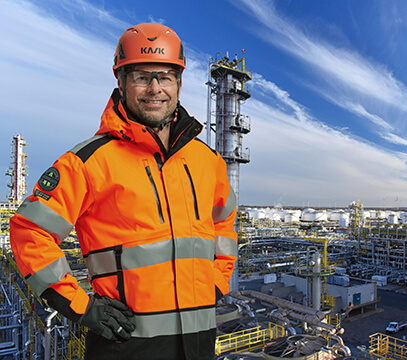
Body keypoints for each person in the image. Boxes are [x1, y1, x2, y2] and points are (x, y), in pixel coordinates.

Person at [9, 23, 238, 360]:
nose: (155, 88)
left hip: (199, 340)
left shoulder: (209, 162)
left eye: (165, 76)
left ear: (179, 83)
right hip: (126, 345)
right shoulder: (88, 162)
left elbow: (224, 226)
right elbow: (31, 232)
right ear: (121, 81)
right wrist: (81, 305)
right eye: (142, 77)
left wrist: (217, 282)